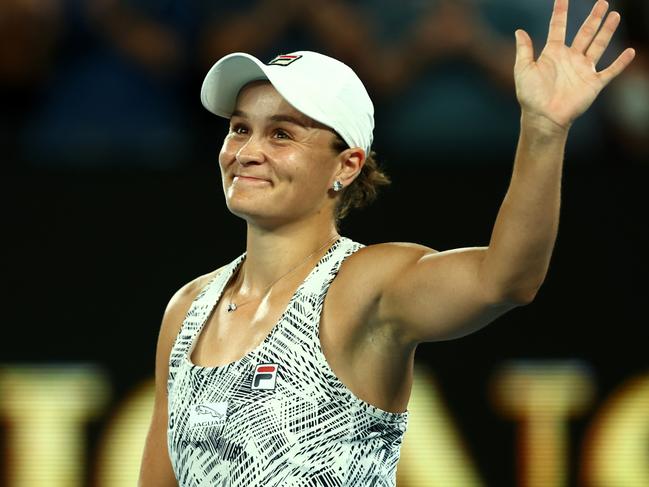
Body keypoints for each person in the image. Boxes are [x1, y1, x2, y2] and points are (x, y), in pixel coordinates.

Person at [138, 0, 635, 485]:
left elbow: (507, 279)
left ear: (346, 165)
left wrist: (544, 129)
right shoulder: (188, 309)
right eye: (240, 128)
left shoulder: (364, 284)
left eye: (282, 135)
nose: (247, 152)